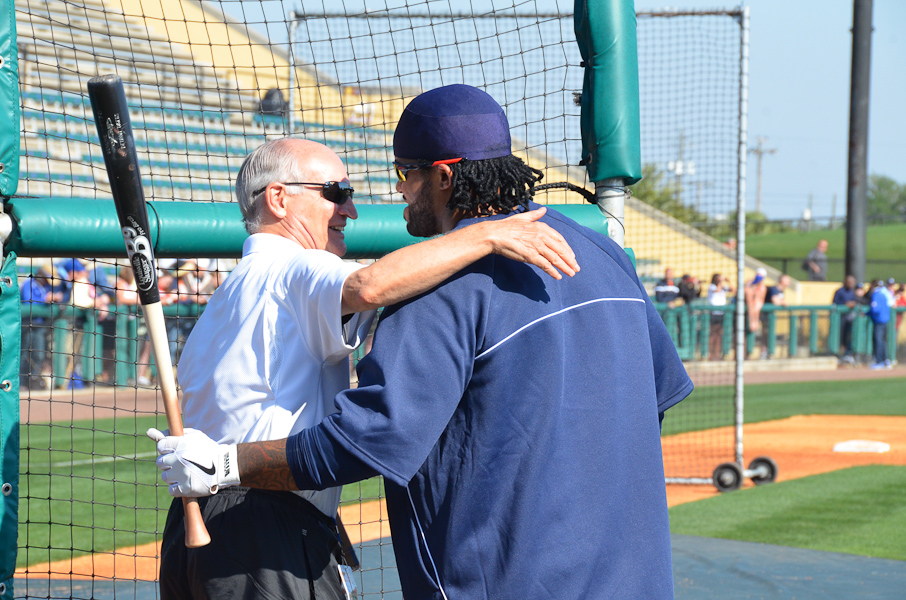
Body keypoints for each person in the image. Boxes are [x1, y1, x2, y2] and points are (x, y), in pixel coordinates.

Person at [151, 84, 693, 600]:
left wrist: (226, 464)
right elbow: (654, 403)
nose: (389, 196)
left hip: (493, 577)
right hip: (632, 573)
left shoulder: (435, 290)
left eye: (403, 174)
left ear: (441, 178)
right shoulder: (606, 255)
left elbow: (370, 435)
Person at [20, 262, 58, 390]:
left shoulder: (44, 287)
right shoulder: (28, 283)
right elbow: (27, 301)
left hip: (40, 326)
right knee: (24, 354)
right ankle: (22, 383)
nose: (47, 283)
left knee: (39, 354)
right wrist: (45, 300)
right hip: (27, 325)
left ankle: (33, 381)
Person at [759, 274, 790, 358]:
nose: (789, 283)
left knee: (769, 334)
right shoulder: (774, 289)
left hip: (771, 316)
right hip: (765, 315)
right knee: (765, 334)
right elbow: (774, 300)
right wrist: (783, 302)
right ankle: (764, 353)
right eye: (787, 280)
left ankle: (768, 352)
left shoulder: (781, 290)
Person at [832, 275, 860, 364]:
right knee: (840, 336)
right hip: (840, 318)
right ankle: (837, 353)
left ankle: (848, 354)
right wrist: (845, 304)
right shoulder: (840, 291)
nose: (851, 284)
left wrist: (853, 303)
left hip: (850, 318)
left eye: (853, 282)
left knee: (850, 336)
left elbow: (857, 301)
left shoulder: (853, 292)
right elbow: (834, 302)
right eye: (850, 282)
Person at [707, 272, 734, 361]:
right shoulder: (712, 286)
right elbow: (717, 289)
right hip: (714, 313)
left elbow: (733, 290)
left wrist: (728, 281)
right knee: (713, 334)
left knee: (719, 334)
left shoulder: (723, 287)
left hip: (721, 313)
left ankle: (717, 354)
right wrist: (721, 281)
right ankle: (711, 354)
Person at [868, 280, 892, 369]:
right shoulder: (885, 294)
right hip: (885, 321)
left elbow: (875, 309)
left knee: (878, 341)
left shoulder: (876, 294)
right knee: (883, 341)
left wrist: (868, 313)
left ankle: (879, 361)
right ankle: (886, 360)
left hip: (879, 321)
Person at [745, 267, 768, 358]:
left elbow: (759, 302)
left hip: (757, 315)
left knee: (761, 334)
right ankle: (745, 354)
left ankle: (762, 353)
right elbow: (748, 298)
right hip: (744, 315)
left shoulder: (762, 287)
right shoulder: (749, 283)